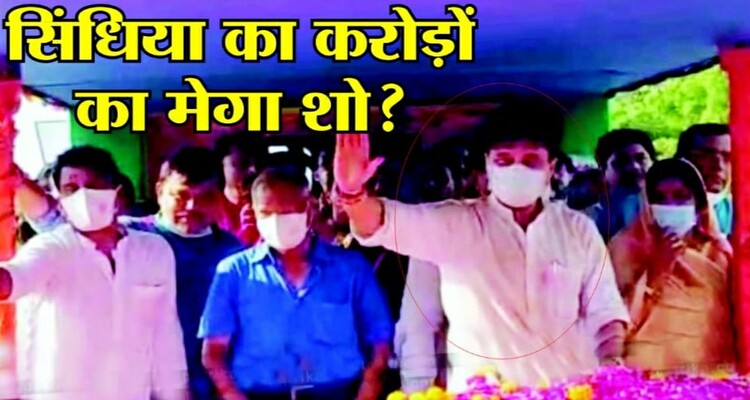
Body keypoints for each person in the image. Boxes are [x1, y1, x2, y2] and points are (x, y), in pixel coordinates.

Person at [332, 104, 630, 390]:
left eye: (530, 161)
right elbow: (382, 223)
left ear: (551, 167)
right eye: (504, 160)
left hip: (569, 391)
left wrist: (611, 362)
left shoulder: (578, 230)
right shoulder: (455, 224)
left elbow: (605, 311)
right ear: (487, 165)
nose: (517, 170)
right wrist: (352, 193)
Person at [16, 146, 245, 399]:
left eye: (206, 197)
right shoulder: (127, 236)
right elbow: (51, 223)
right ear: (160, 190)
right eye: (181, 195)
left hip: (211, 385)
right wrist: (11, 177)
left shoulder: (234, 254)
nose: (192, 206)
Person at [199, 166, 394, 400]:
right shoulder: (233, 272)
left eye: (287, 212)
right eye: (266, 213)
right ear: (254, 214)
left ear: (309, 211)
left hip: (339, 394)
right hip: (259, 395)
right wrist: (232, 394)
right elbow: (213, 354)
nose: (276, 221)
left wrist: (367, 392)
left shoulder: (351, 269)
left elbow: (380, 343)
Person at [608, 158, 734, 371]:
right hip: (646, 376)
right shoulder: (625, 249)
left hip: (712, 374)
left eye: (681, 196)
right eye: (659, 198)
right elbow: (613, 326)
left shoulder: (719, 253)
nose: (670, 205)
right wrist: (655, 274)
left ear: (699, 205)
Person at [588, 129, 656, 241]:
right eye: (622, 161)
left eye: (641, 159)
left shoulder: (667, 213)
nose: (634, 167)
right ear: (603, 171)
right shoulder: (587, 222)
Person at [675, 124, 733, 237]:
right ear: (684, 160)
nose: (718, 166)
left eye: (727, 158)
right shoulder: (651, 211)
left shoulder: (740, 214)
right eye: (706, 156)